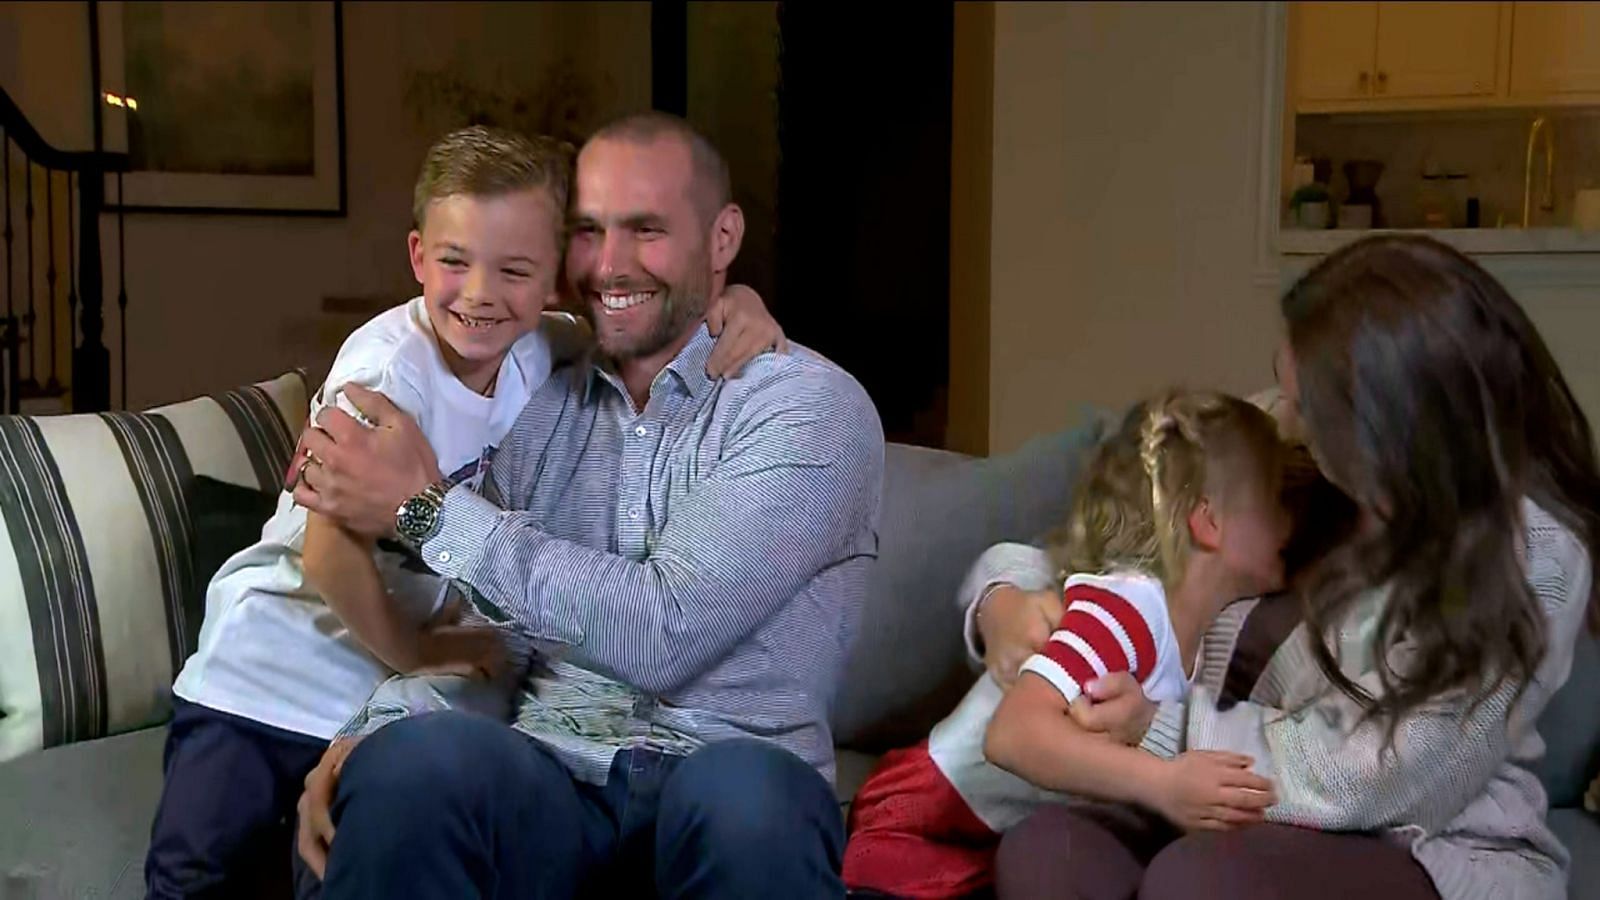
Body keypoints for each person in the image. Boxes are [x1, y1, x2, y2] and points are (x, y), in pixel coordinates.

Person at [144, 124, 785, 899]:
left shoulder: (542, 348)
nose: (480, 295)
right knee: (195, 886)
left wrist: (736, 302)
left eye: (514, 270)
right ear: (418, 257)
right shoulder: (385, 375)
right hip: (260, 679)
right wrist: (416, 650)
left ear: (555, 278)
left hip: (365, 699)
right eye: (454, 263)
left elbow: (648, 323)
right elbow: (327, 557)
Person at [287, 112, 885, 899]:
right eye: (587, 231)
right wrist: (373, 730)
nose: (610, 264)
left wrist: (428, 510)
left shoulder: (807, 407)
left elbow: (666, 630)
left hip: (725, 779)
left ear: (722, 236)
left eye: (646, 230)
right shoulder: (546, 402)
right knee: (413, 765)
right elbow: (493, 642)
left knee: (747, 798)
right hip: (552, 785)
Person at [970, 234, 1600, 900]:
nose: (1284, 419)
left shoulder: (1528, 554)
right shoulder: (1289, 448)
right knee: (1050, 853)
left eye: (1307, 406)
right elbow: (1113, 536)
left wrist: (1158, 727)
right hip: (1220, 798)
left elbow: (1372, 777)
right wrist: (1002, 598)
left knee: (1204, 882)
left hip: (1416, 840)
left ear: (1388, 425)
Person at [843, 391, 1288, 898]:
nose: (1289, 522)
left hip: (987, 839)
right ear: (1209, 521)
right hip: (921, 823)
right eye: (1274, 500)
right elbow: (1013, 735)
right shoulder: (1127, 609)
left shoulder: (1197, 640)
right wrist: (1164, 784)